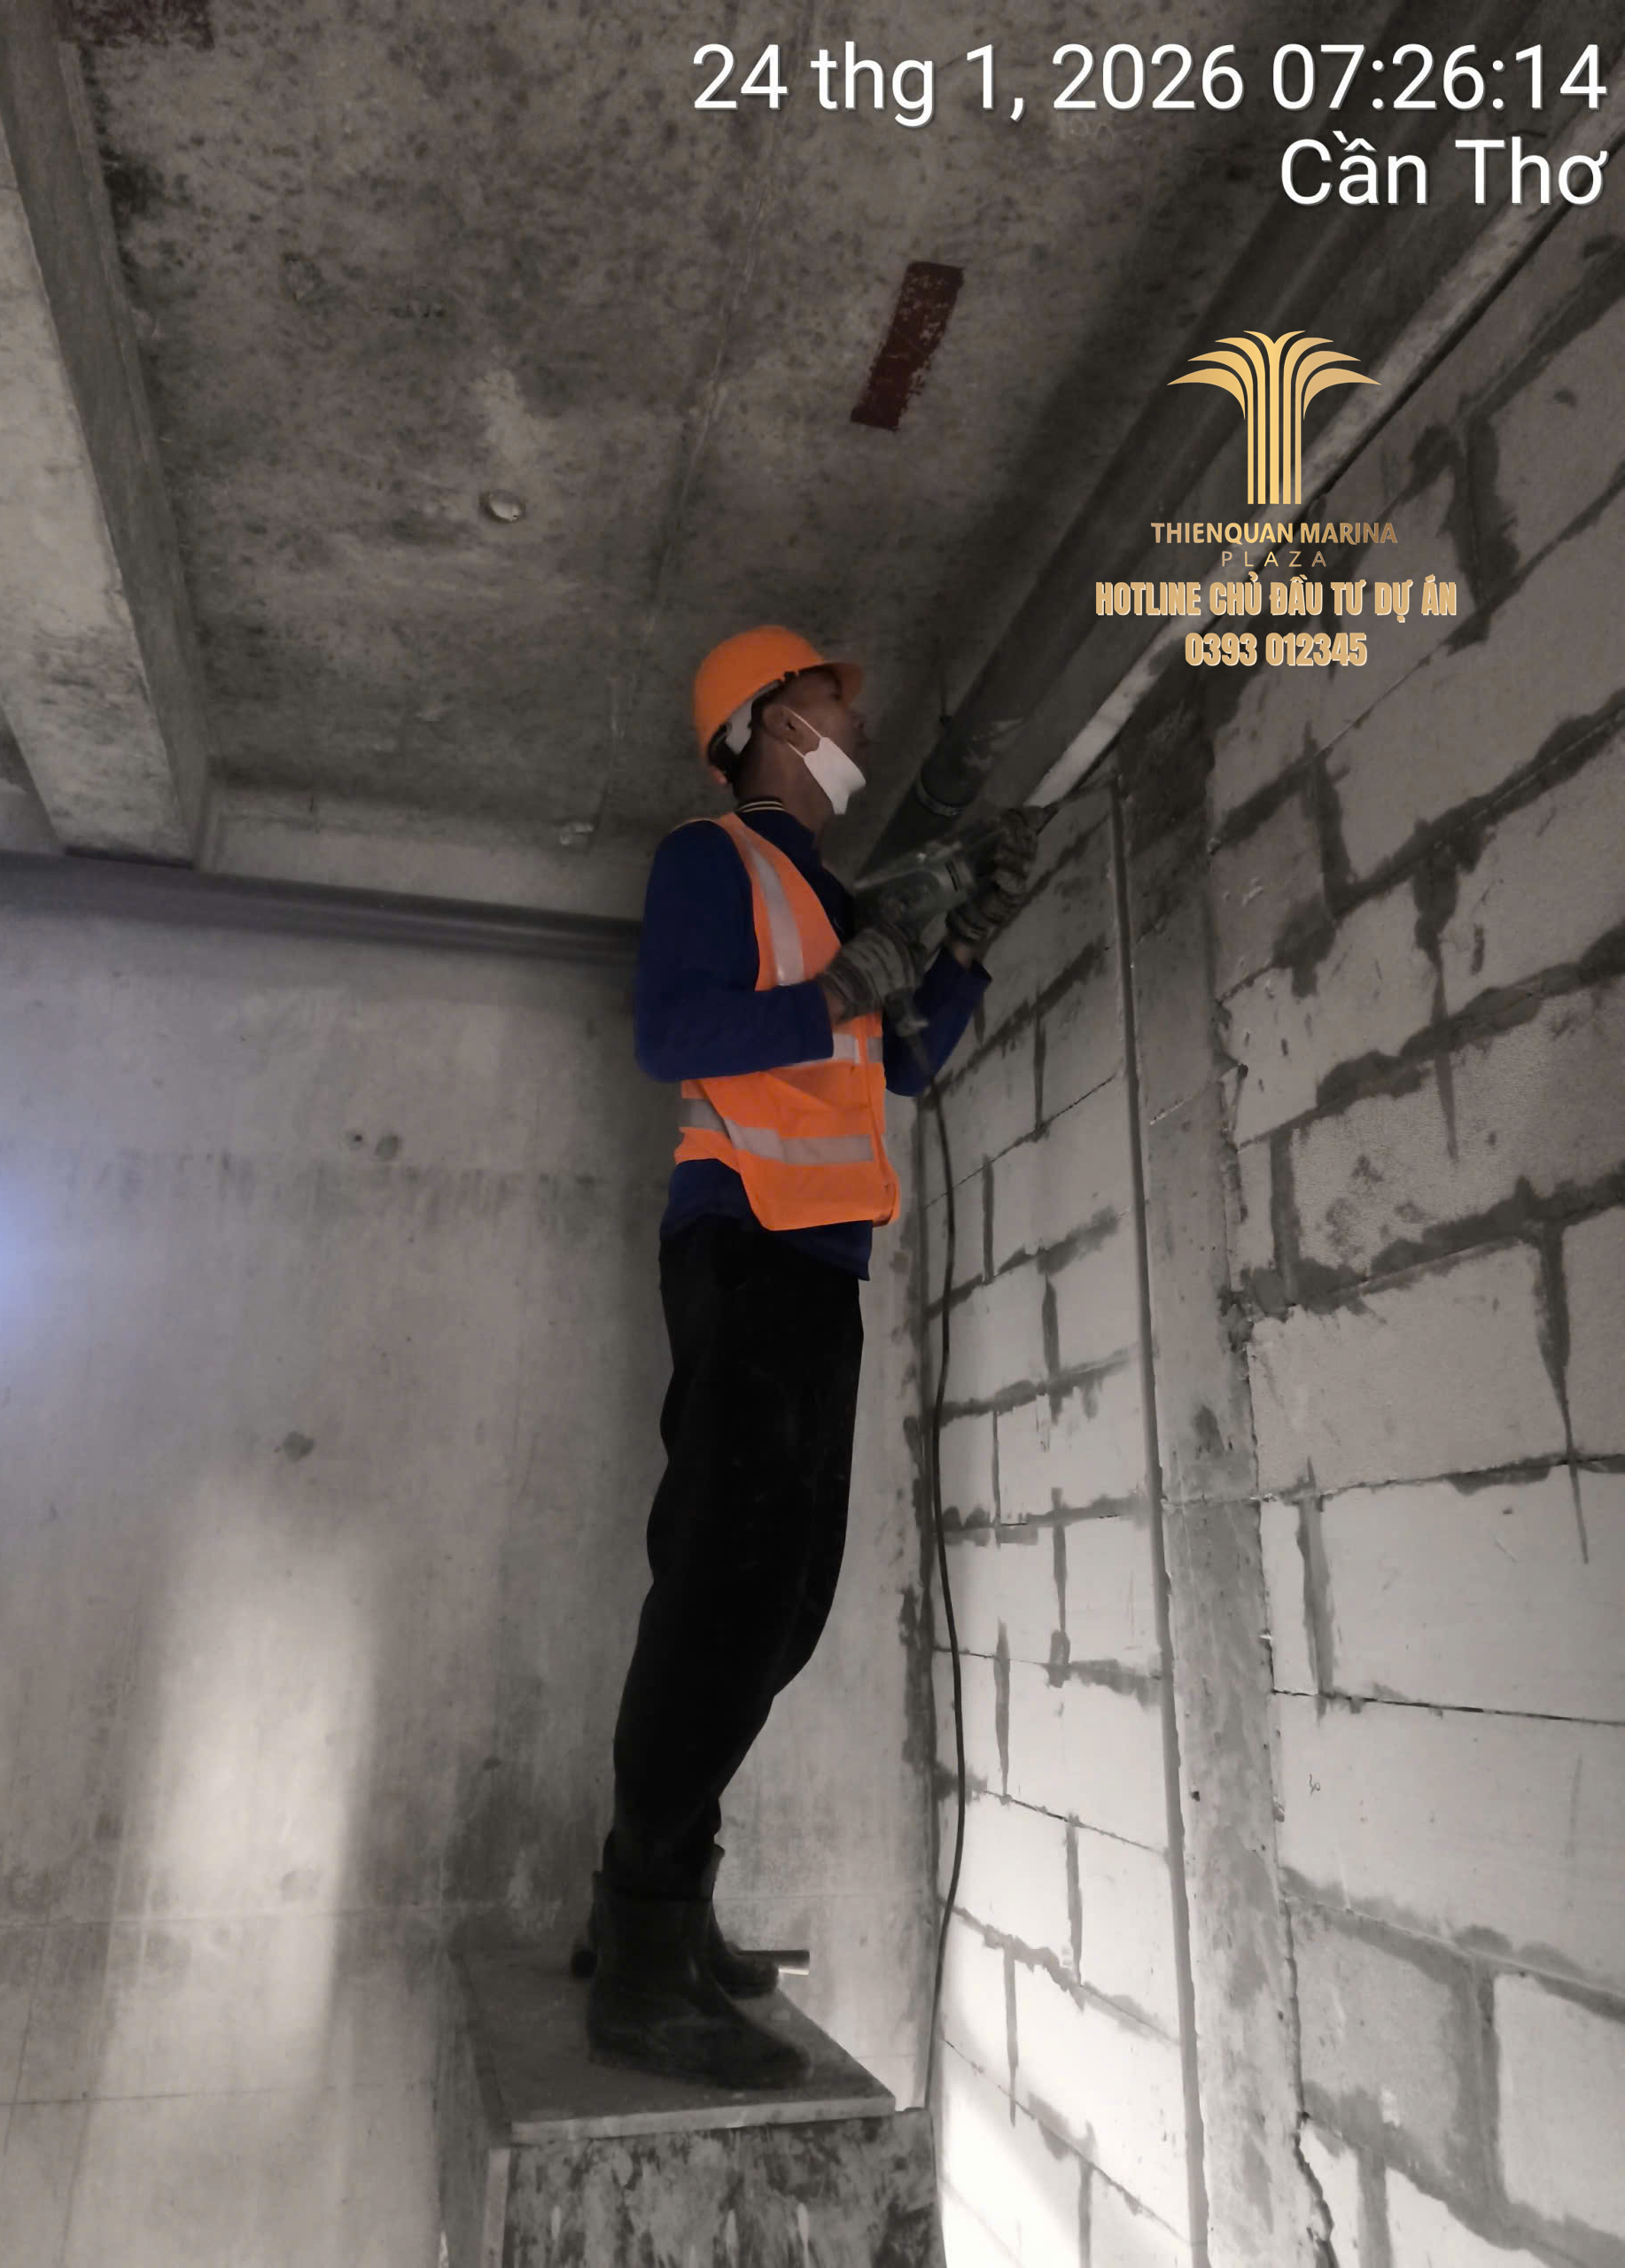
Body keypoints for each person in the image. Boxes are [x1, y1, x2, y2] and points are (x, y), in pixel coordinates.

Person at [575, 625, 1038, 2088]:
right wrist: (838, 990)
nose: (857, 735)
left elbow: (901, 1064)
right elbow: (672, 1033)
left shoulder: (834, 901)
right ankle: (640, 1958)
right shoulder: (708, 858)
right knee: (727, 1594)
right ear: (769, 725)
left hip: (816, 1264)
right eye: (836, 709)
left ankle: (657, 1903)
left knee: (778, 1610)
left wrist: (959, 950)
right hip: (745, 1242)